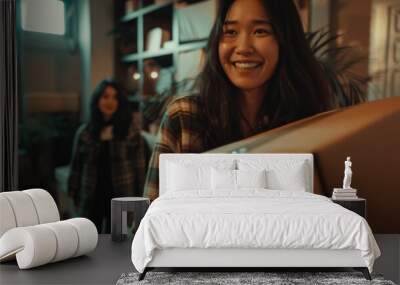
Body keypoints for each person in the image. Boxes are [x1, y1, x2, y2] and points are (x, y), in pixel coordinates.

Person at [144, 0, 333, 201]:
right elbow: (150, 216)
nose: (243, 47)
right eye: (231, 32)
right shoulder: (184, 116)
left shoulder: (308, 121)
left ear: (285, 41)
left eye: (260, 31)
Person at [68, 79, 150, 233]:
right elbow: (76, 168)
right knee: (91, 240)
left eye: (115, 97)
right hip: (91, 196)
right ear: (97, 100)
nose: (110, 102)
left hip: (121, 196)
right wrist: (73, 194)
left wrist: (142, 199)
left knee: (118, 242)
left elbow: (140, 170)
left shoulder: (131, 133)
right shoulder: (85, 133)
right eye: (105, 96)